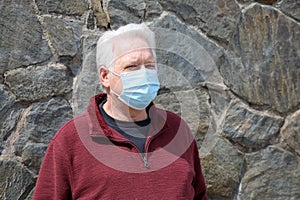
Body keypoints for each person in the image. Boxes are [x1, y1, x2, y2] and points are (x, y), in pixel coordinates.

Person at [33, 23, 207, 200]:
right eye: (132, 67)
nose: (144, 74)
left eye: (149, 65)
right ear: (105, 76)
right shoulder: (71, 139)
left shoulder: (177, 129)